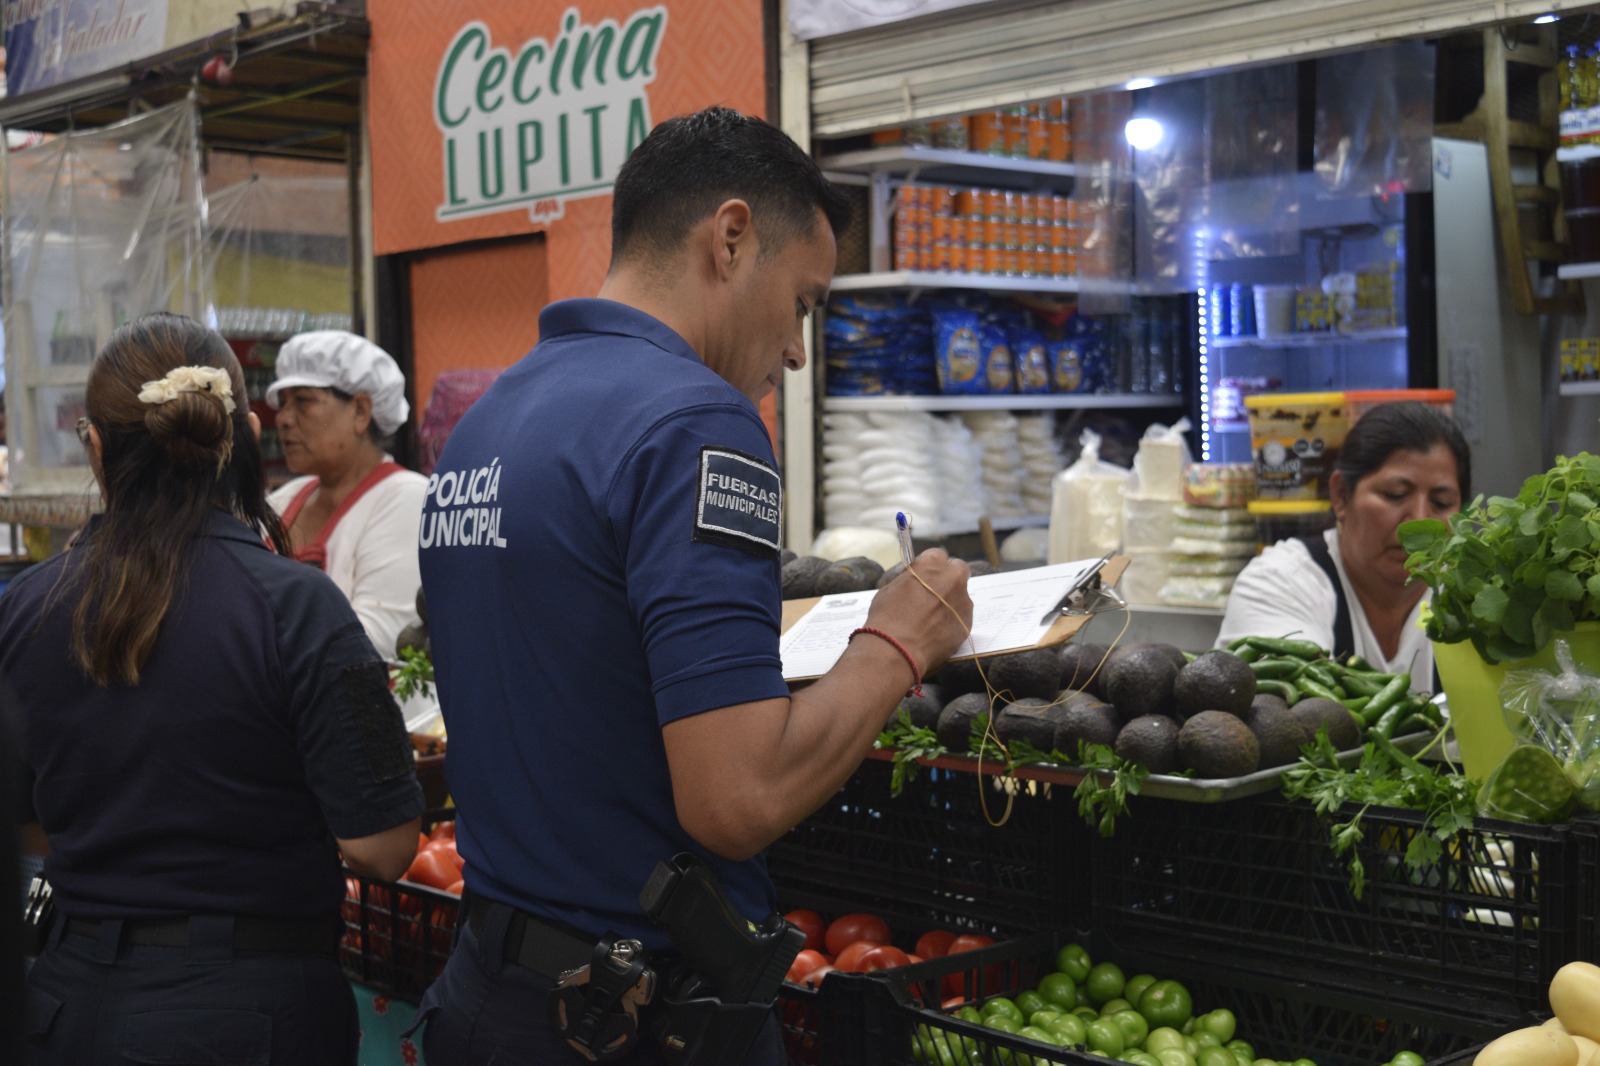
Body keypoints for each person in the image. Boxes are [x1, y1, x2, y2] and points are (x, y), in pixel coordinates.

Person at [411, 106, 974, 1065]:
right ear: (731, 237)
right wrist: (897, 643)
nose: (796, 350)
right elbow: (736, 797)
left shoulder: (488, 421)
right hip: (634, 1024)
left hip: (490, 995)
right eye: (802, 303)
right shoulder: (696, 423)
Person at [0, 313, 424, 1065]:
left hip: (68, 1004)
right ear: (240, 436)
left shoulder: (25, 607)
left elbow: (28, 826)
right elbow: (383, 846)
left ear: (96, 447)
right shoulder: (298, 606)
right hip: (252, 1011)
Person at [1216, 400, 1471, 691]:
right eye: (1395, 494)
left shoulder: (1470, 597)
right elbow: (1288, 707)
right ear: (1340, 495)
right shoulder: (1278, 583)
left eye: (1441, 503)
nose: (1419, 520)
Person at [266, 330, 427, 659]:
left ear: (361, 411)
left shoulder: (407, 499)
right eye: (282, 404)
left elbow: (373, 640)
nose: (283, 419)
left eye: (303, 401)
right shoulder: (281, 501)